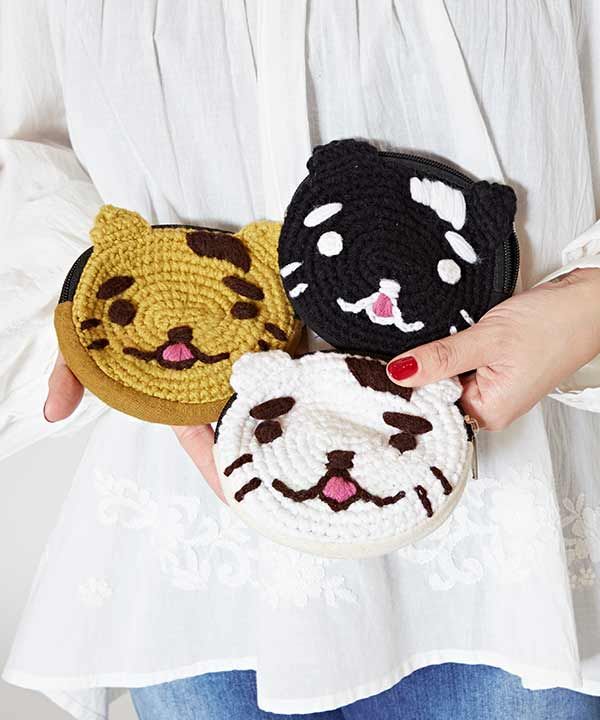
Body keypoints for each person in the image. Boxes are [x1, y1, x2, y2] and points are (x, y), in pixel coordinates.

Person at [2, 2, 600, 719]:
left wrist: (591, 304)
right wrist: (101, 304)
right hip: (208, 528)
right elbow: (27, 138)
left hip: (513, 534)